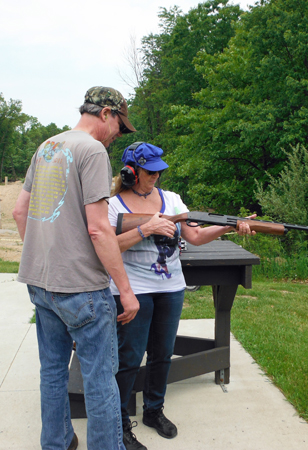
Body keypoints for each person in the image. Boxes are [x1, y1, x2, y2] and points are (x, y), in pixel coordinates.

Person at [13, 86, 141, 450]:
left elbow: (20, 212)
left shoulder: (47, 147)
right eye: (120, 124)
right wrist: (126, 292)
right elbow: (99, 228)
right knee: (100, 378)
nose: (119, 133)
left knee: (52, 371)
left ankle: (57, 443)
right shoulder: (92, 150)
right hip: (82, 288)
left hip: (40, 284)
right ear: (105, 114)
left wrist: (44, 258)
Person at [108, 142, 256, 450]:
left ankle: (153, 411)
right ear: (130, 172)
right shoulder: (113, 206)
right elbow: (108, 247)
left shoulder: (172, 200)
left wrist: (229, 227)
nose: (156, 177)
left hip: (171, 288)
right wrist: (147, 229)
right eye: (150, 172)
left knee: (162, 354)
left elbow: (196, 236)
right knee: (129, 358)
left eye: (159, 171)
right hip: (133, 290)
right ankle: (120, 424)